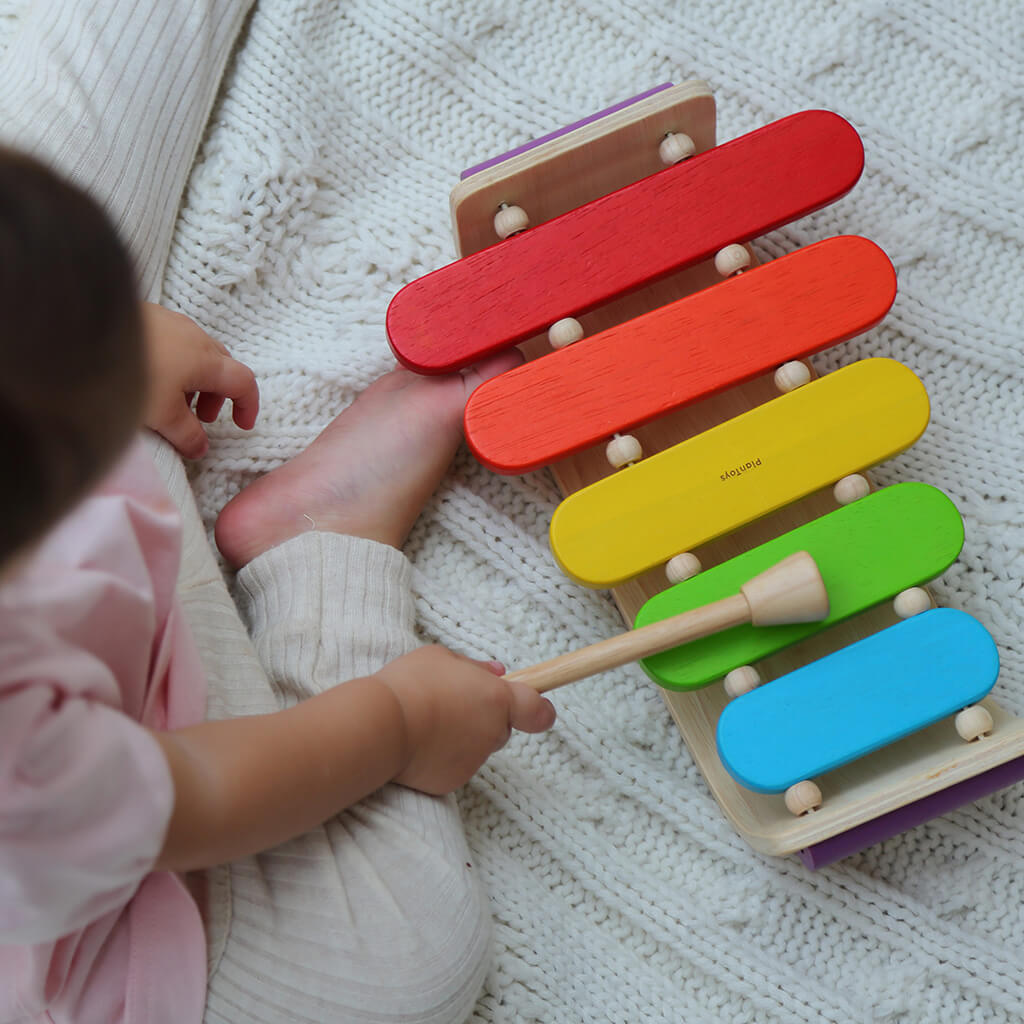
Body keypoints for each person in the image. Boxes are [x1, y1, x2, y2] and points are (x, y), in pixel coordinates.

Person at [0, 7, 556, 1024]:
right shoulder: (22, 769)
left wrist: (109, 341)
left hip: (90, 637)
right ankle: (319, 551)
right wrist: (396, 722)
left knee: (50, 191)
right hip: (102, 876)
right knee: (410, 964)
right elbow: (200, 797)